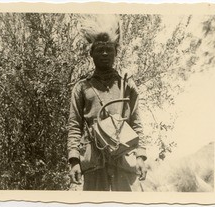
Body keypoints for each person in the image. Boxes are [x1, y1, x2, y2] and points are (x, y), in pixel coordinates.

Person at [67, 15, 147, 191]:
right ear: (91, 53)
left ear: (116, 52)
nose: (104, 54)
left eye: (109, 49)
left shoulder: (127, 85)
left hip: (124, 160)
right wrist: (74, 161)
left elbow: (136, 121)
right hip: (93, 162)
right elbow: (74, 126)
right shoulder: (82, 87)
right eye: (100, 49)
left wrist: (140, 156)